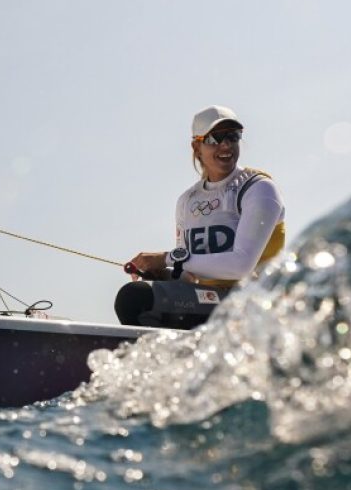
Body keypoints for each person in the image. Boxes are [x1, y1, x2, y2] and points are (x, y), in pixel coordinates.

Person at [114, 105, 285, 329]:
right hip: (212, 301)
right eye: (215, 138)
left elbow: (241, 266)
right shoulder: (188, 200)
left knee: (135, 298)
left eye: (233, 137)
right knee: (140, 297)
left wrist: (167, 259)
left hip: (256, 306)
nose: (225, 145)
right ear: (197, 147)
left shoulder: (259, 188)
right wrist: (165, 274)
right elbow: (189, 275)